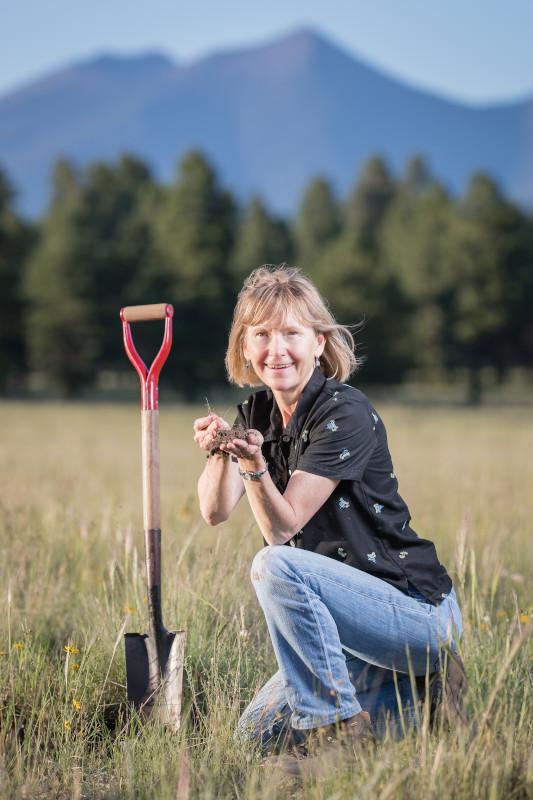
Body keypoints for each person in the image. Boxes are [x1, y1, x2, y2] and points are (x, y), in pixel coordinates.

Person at [193, 265, 467, 773]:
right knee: (256, 736)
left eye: (291, 334)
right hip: (352, 626)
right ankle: (424, 703)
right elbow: (213, 511)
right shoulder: (255, 414)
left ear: (319, 342)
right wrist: (219, 451)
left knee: (275, 565)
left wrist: (252, 465)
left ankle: (338, 732)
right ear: (246, 349)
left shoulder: (345, 413)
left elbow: (281, 528)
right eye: (262, 336)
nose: (277, 350)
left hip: (415, 613)